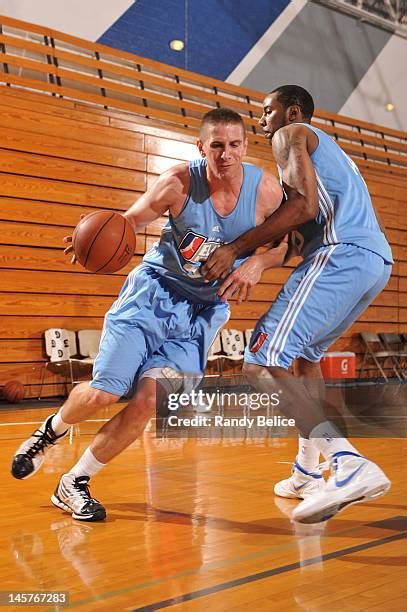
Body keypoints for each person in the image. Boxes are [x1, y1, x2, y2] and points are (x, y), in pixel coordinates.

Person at [11, 107, 283, 522]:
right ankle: (52, 430)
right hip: (151, 296)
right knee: (103, 393)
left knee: (150, 401)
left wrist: (259, 263)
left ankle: (74, 482)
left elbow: (288, 243)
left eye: (233, 145)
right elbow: (130, 220)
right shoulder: (177, 182)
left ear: (245, 146)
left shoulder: (266, 191)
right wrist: (91, 239)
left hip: (201, 314)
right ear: (201, 147)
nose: (225, 155)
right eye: (216, 145)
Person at [203, 85, 393, 523]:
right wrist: (259, 260)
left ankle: (348, 464)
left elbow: (303, 209)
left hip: (341, 255)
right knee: (307, 360)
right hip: (373, 261)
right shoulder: (331, 156)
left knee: (260, 360)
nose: (261, 120)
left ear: (291, 112)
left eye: (266, 111)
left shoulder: (290, 135)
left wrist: (234, 249)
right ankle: (308, 471)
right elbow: (297, 240)